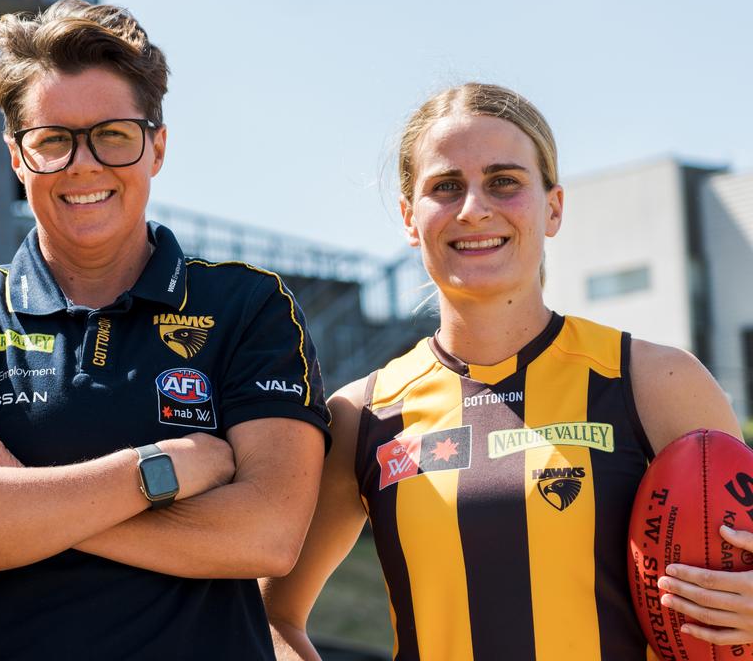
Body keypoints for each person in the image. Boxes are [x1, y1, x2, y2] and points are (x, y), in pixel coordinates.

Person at [0, 0, 329, 660]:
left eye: (113, 135)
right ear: (16, 157)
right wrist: (159, 469)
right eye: (53, 140)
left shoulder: (247, 306)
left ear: (158, 147)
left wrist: (15, 482)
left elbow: (266, 538)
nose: (83, 164)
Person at [261, 82, 750, 660]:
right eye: (446, 187)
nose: (474, 208)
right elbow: (269, 616)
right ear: (409, 218)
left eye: (504, 181)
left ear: (554, 208)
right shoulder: (362, 415)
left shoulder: (655, 382)